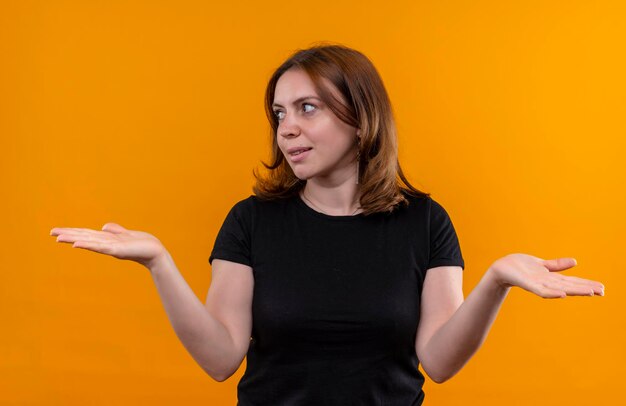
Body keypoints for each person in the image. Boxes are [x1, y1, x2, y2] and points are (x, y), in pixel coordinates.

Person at [50, 43, 605, 405]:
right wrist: (158, 262)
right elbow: (220, 360)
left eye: (307, 108)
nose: (287, 128)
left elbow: (438, 362)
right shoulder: (251, 222)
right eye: (279, 113)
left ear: (360, 117)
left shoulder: (425, 222)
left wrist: (496, 281)